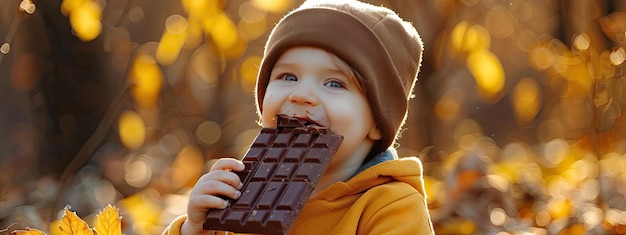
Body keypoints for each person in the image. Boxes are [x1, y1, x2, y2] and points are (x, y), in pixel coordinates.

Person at [163, 0, 434, 234]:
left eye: (334, 83)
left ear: (377, 121)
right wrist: (195, 230)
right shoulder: (239, 196)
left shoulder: (392, 206)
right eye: (287, 77)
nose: (301, 94)